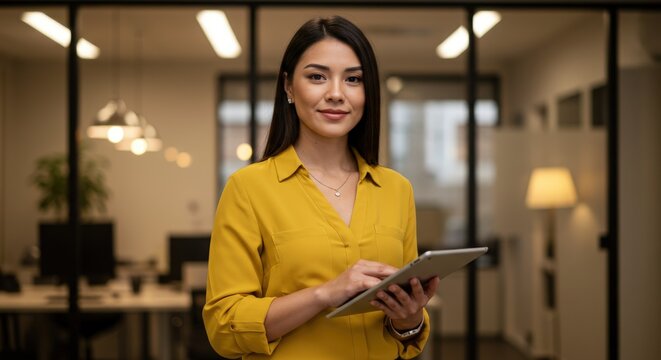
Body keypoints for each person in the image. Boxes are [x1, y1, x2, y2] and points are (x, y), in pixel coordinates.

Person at [203, 15, 440, 359]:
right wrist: (325, 294)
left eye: (353, 79)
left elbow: (405, 333)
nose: (335, 94)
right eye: (317, 77)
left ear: (368, 92)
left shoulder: (397, 189)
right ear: (288, 87)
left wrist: (411, 318)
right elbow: (223, 326)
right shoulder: (248, 188)